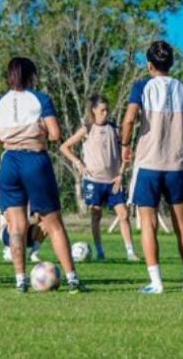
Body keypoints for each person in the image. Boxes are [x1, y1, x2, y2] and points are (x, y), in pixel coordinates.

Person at [121, 40, 183, 294]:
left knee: (148, 224)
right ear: (171, 63)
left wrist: (124, 145)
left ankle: (157, 283)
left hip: (148, 165)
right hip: (177, 166)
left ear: (149, 65)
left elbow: (130, 119)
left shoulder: (142, 86)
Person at [0, 56, 84, 293]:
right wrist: (33, 131)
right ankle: (72, 280)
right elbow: (54, 134)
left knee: (16, 226)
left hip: (9, 162)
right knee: (54, 223)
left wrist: (10, 136)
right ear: (31, 76)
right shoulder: (40, 99)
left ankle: (20, 281)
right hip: (34, 161)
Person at [60, 95, 139, 262]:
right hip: (93, 181)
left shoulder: (115, 129)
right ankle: (100, 251)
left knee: (123, 215)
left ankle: (130, 252)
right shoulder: (87, 129)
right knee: (96, 215)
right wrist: (78, 163)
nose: (105, 113)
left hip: (113, 182)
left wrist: (121, 174)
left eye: (107, 110)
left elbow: (126, 155)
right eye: (102, 110)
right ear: (94, 111)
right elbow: (64, 147)